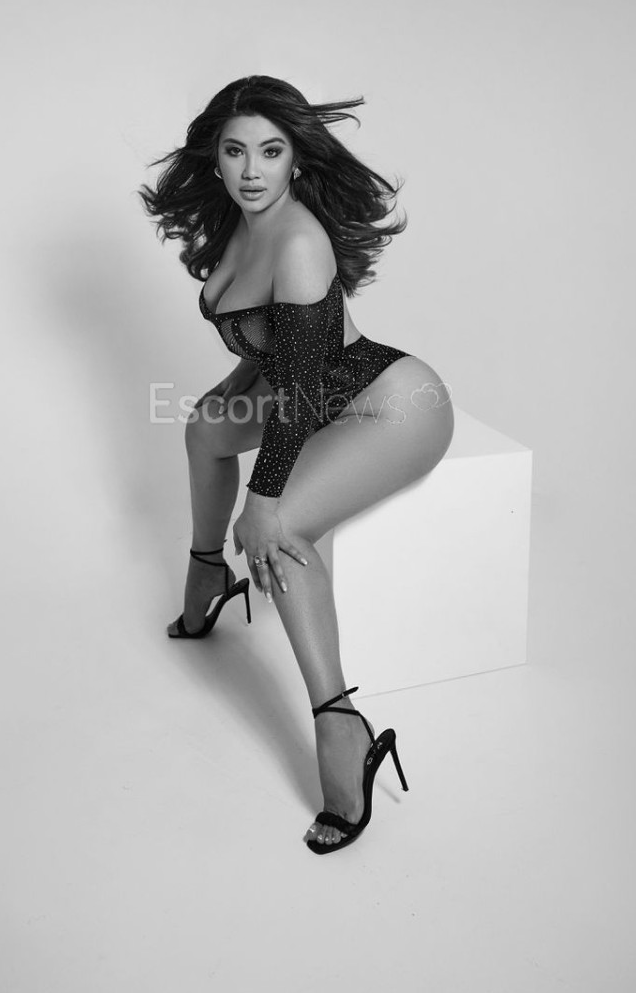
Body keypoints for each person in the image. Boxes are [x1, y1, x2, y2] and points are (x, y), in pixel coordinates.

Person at [138, 75, 454, 854]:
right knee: (202, 429)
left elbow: (304, 389)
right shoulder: (239, 226)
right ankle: (206, 575)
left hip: (392, 405)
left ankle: (340, 725)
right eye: (235, 151)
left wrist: (262, 499)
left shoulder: (299, 240)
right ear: (213, 158)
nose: (251, 169)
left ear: (295, 160)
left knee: (280, 534)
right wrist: (231, 391)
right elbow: (274, 345)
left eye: (270, 152)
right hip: (317, 393)